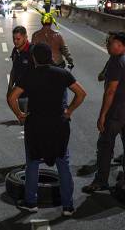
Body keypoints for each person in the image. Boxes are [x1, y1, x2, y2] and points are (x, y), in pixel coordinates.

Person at [8, 43, 87, 214]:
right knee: (63, 163)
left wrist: (20, 115)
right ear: (51, 56)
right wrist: (69, 110)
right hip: (59, 124)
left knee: (33, 163)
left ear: (34, 58)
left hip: (35, 125)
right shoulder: (63, 74)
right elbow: (81, 93)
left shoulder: (29, 75)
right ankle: (68, 206)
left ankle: (31, 203)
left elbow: (12, 97)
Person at [82, 31, 125, 193]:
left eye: (109, 43)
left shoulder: (116, 61)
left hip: (116, 114)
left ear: (119, 44)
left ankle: (101, 181)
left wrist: (102, 115)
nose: (106, 45)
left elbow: (111, 91)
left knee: (105, 146)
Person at [7, 26, 34, 112]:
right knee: (24, 120)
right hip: (20, 93)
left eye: (18, 39)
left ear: (25, 37)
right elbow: (14, 70)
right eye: (14, 39)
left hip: (31, 94)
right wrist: (10, 87)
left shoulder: (32, 51)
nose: (15, 41)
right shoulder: (15, 51)